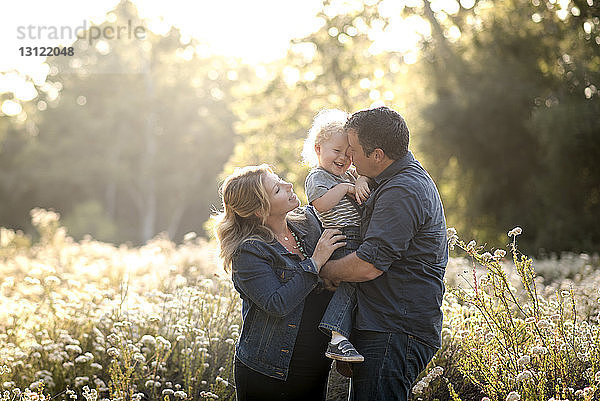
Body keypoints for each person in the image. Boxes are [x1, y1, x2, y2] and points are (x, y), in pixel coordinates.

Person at [319, 106, 448, 401]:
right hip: (385, 324)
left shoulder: (402, 190)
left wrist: (323, 271)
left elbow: (368, 265)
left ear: (377, 155)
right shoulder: (389, 180)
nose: (349, 158)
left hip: (395, 328)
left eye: (353, 151)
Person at [214, 164, 346, 401]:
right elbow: (278, 303)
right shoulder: (249, 251)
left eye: (281, 180)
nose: (288, 186)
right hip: (268, 370)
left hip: (315, 362)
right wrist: (315, 263)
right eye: (277, 190)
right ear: (259, 210)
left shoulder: (308, 222)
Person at [301, 109, 370, 363]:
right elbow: (320, 204)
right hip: (342, 236)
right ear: (318, 149)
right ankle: (337, 337)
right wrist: (344, 188)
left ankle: (346, 336)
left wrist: (359, 181)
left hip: (356, 236)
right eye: (336, 151)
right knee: (352, 281)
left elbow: (362, 182)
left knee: (359, 285)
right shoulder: (318, 177)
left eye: (348, 154)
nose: (343, 158)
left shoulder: (348, 176)